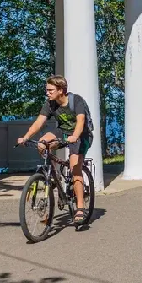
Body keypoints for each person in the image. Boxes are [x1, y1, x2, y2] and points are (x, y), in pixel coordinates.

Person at [18, 76, 93, 224]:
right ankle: (54, 176)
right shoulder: (50, 104)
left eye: (50, 90)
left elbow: (80, 122)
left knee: (74, 168)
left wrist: (75, 136)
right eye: (47, 90)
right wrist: (25, 137)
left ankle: (80, 207)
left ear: (61, 90)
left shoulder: (76, 101)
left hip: (81, 135)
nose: (47, 93)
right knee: (41, 144)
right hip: (63, 132)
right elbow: (39, 123)